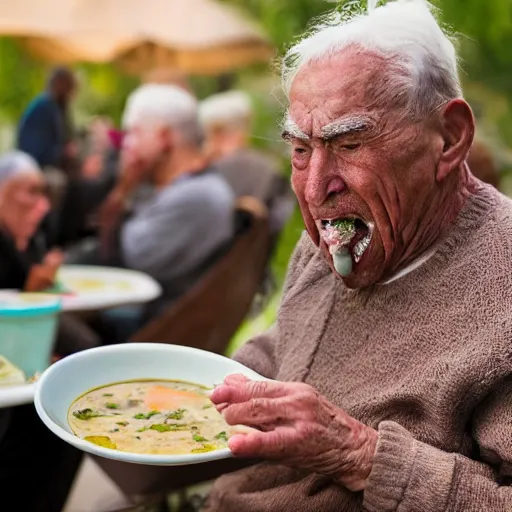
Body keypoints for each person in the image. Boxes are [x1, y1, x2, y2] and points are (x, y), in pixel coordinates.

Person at [198, 1, 512, 510]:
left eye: (349, 143)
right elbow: (287, 350)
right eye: (301, 149)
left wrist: (358, 454)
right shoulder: (335, 241)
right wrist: (183, 388)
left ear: (450, 138)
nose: (318, 188)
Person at [96, 84, 235, 338]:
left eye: (134, 132)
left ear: (164, 137)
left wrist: (124, 186)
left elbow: (122, 257)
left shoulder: (196, 195)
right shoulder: (190, 187)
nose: (126, 143)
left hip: (157, 332)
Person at [200, 90, 295, 242]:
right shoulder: (270, 166)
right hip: (257, 259)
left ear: (217, 132)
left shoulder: (209, 171)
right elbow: (280, 219)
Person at [17, 67, 77, 173]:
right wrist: (63, 152)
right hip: (36, 167)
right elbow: (36, 148)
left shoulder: (55, 107)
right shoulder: (45, 107)